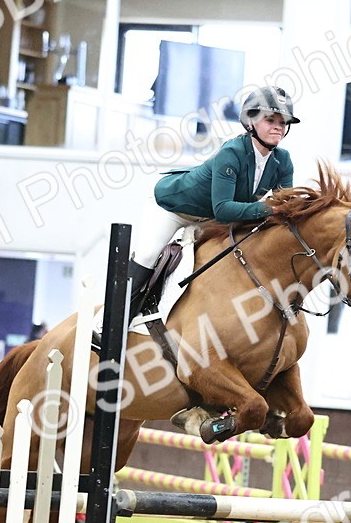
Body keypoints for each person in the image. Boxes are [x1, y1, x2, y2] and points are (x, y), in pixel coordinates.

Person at [94, 85, 299, 343]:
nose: (278, 127)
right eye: (270, 120)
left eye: (283, 122)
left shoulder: (284, 160)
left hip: (210, 218)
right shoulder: (232, 153)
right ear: (251, 121)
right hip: (174, 208)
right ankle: (106, 323)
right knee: (148, 254)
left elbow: (284, 207)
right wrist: (269, 208)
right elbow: (224, 210)